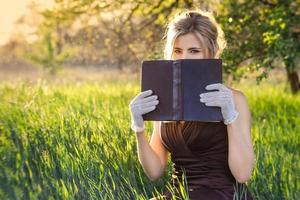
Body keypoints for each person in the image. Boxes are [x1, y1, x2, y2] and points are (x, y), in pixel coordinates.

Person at [129, 9, 255, 200]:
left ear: (211, 52)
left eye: (194, 51)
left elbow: (242, 174)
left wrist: (230, 117)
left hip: (222, 194)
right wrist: (138, 127)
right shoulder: (164, 96)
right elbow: (154, 172)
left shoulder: (234, 99)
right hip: (177, 194)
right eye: (178, 51)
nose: (184, 59)